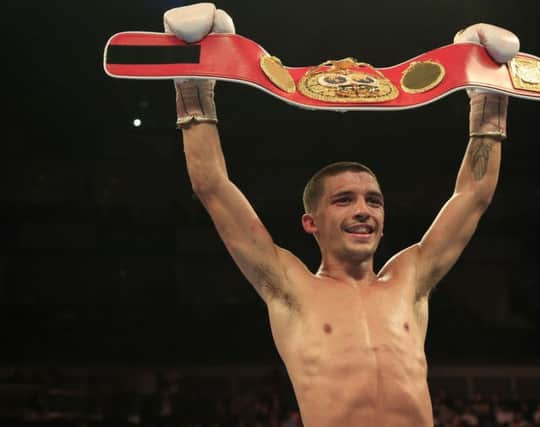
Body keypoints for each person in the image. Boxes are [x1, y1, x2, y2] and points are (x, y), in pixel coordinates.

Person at [162, 3, 519, 426]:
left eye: (374, 200)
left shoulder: (410, 280)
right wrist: (193, 82)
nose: (364, 210)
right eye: (344, 199)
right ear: (310, 223)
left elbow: (474, 195)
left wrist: (489, 95)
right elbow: (214, 189)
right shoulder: (289, 286)